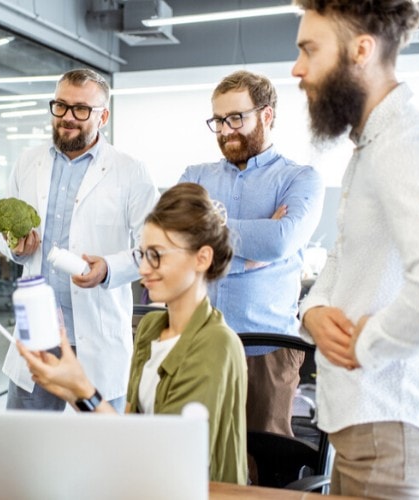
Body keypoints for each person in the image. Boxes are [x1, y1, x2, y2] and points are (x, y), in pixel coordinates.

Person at [292, 1, 419, 498]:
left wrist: (363, 345)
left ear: (361, 50)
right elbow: (345, 258)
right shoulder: (373, 144)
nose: (298, 67)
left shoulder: (406, 144)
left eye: (310, 49)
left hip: (390, 421)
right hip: (369, 421)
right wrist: (312, 311)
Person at [17, 182, 248, 484]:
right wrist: (69, 389)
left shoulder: (216, 345)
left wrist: (83, 387)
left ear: (201, 258)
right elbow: (128, 433)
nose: (143, 270)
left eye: (157, 255)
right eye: (142, 255)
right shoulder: (152, 329)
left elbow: (167, 463)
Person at [0, 68, 158, 412]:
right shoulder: (28, 162)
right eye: (61, 106)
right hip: (36, 332)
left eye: (81, 109)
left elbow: (154, 250)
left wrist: (109, 269)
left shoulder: (131, 171)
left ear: (104, 116)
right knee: (24, 448)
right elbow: (2, 231)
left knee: (98, 451)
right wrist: (13, 246)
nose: (68, 118)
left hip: (98, 339)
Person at [179, 70, 324, 437]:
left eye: (236, 118)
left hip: (269, 349)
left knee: (265, 462)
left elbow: (280, 240)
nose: (226, 130)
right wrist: (253, 255)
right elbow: (176, 239)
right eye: (218, 120)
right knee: (201, 457)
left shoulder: (300, 179)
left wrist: (214, 246)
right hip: (202, 344)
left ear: (267, 115)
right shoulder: (195, 175)